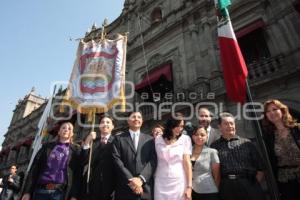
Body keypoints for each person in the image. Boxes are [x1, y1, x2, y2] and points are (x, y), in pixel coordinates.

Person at [211, 112, 265, 200]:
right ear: (219, 127)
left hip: (248, 184)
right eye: (226, 124)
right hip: (226, 187)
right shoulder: (214, 147)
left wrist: (253, 185)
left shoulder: (247, 143)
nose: (230, 126)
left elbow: (260, 167)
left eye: (232, 123)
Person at [21, 122, 82, 200]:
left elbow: (78, 174)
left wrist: (74, 196)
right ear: (59, 132)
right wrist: (27, 192)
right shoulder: (46, 147)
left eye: (69, 129)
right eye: (63, 128)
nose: (66, 130)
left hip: (60, 193)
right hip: (40, 191)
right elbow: (34, 169)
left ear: (72, 134)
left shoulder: (76, 150)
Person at [112, 111, 157, 200]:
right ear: (128, 121)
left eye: (139, 117)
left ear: (142, 121)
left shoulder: (150, 140)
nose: (136, 119)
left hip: (145, 188)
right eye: (133, 117)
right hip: (125, 188)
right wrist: (131, 180)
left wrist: (141, 179)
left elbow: (153, 160)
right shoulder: (119, 139)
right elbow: (116, 160)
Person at [262, 99, 300, 200]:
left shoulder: (297, 129)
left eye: (274, 109)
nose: (271, 113)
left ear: (282, 111)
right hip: (285, 181)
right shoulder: (268, 137)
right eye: (268, 111)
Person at [154, 113, 193, 200]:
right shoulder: (157, 139)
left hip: (179, 182)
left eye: (182, 126)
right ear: (170, 125)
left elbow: (187, 163)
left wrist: (189, 187)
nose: (180, 129)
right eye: (177, 126)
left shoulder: (185, 139)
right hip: (160, 182)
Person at [81, 115, 116, 200]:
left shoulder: (117, 141)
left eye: (108, 122)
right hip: (92, 184)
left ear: (112, 126)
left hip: (110, 186)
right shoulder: (93, 142)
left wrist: (117, 188)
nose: (105, 124)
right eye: (102, 122)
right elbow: (84, 160)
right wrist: (87, 141)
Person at [191, 127, 220, 200]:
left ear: (206, 137)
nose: (199, 137)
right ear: (192, 136)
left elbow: (217, 175)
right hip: (190, 191)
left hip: (208, 192)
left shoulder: (212, 152)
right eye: (196, 134)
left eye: (202, 135)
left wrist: (217, 189)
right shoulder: (187, 151)